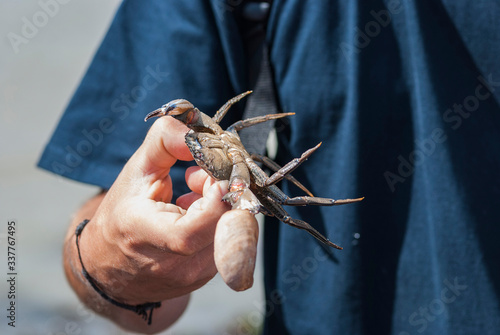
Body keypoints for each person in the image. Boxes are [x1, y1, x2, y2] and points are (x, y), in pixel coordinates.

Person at [38, 1, 500, 334]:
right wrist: (107, 255)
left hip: (248, 170)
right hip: (257, 221)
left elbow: (242, 122)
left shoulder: (231, 136)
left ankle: (324, 224)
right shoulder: (201, 125)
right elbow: (157, 308)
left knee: (282, 192)